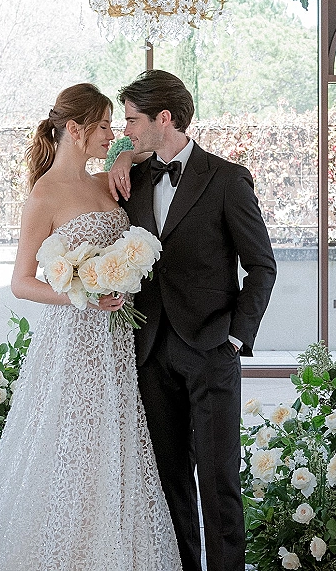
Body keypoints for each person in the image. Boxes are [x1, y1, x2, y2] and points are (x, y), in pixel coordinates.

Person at [0, 83, 182, 571]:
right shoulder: (44, 194)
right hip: (74, 342)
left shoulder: (107, 180)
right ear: (76, 129)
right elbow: (21, 282)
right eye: (104, 126)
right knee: (74, 452)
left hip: (119, 340)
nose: (113, 134)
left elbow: (138, 145)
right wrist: (81, 294)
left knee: (114, 450)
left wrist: (121, 156)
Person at [108, 70, 277, 571]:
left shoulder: (226, 179)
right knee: (169, 483)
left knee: (219, 484)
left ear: (165, 118)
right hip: (151, 349)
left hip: (210, 350)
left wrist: (235, 338)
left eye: (132, 120)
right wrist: (121, 154)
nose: (126, 130)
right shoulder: (132, 178)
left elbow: (262, 266)